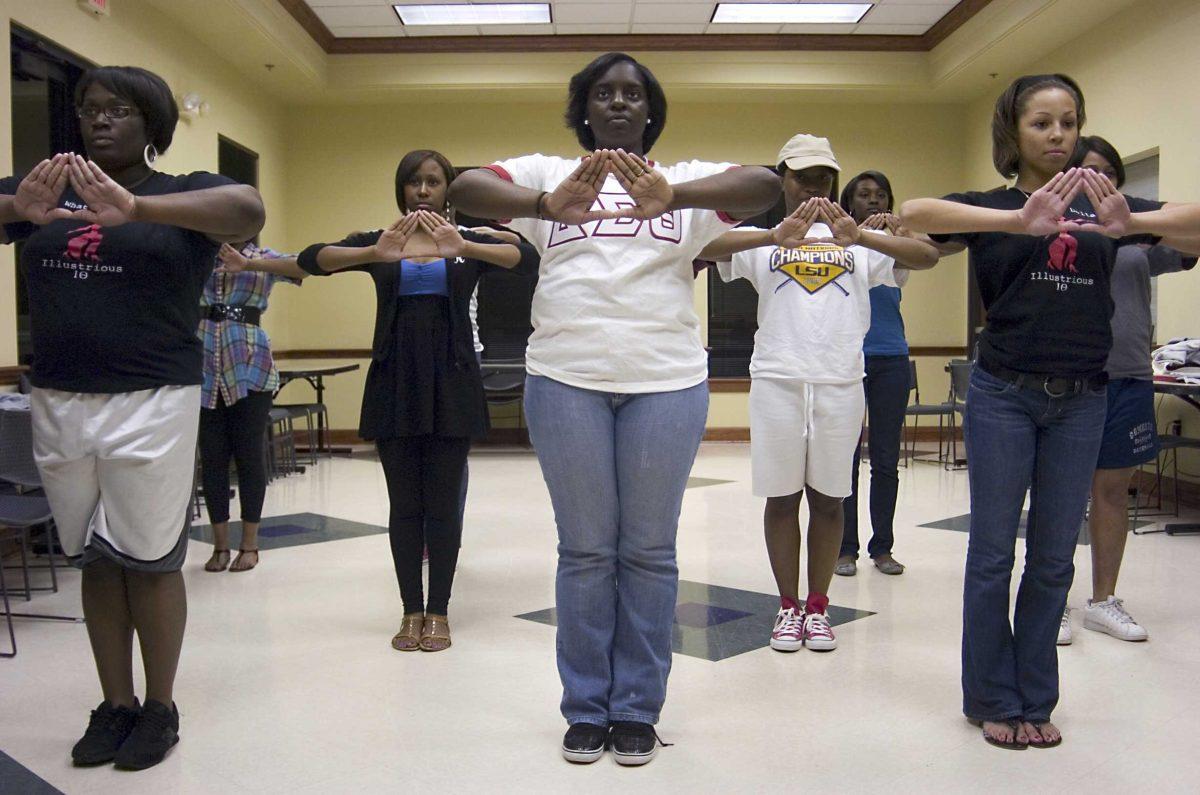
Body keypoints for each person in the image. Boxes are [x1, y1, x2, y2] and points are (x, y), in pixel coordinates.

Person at [449, 52, 780, 766]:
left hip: (665, 383)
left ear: (651, 110)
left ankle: (635, 707)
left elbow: (765, 184)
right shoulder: (546, 173)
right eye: (606, 93)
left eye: (634, 94)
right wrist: (544, 205)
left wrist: (680, 194)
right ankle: (585, 707)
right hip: (565, 381)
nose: (621, 103)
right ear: (585, 108)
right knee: (588, 548)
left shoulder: (679, 180)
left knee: (650, 550)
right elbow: (466, 187)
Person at [900, 73, 1200, 750]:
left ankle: (1036, 696)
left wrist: (1136, 222)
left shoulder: (1106, 208)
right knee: (991, 553)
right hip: (1004, 394)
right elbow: (913, 213)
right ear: (1014, 133)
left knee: (1055, 558)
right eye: (1042, 123)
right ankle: (990, 696)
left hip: (1083, 399)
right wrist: (1016, 220)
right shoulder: (992, 206)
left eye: (1068, 121)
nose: (1058, 134)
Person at [0, 66, 264, 769]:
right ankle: (113, 703)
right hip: (59, 398)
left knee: (147, 559)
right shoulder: (45, 191)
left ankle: (159, 706)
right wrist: (13, 212)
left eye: (119, 110)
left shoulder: (179, 194)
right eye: (89, 110)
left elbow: (247, 209)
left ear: (152, 125)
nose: (100, 121)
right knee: (94, 554)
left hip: (152, 398)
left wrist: (140, 212)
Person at [224, 150, 537, 653]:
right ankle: (410, 611)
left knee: (443, 507)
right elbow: (313, 260)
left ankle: (439, 611)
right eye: (413, 182)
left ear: (448, 190)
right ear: (401, 189)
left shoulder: (465, 242)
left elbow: (526, 261)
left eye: (433, 182)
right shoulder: (380, 241)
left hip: (452, 383)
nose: (422, 191)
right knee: (404, 506)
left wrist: (469, 246)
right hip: (395, 383)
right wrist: (374, 254)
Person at [698, 136, 938, 655]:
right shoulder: (764, 238)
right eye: (802, 176)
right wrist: (770, 236)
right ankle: (787, 608)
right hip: (777, 380)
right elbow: (702, 249)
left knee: (830, 499)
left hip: (840, 381)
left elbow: (925, 257)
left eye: (823, 177)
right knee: (782, 498)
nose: (813, 186)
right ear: (781, 177)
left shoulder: (856, 239)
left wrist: (866, 239)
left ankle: (819, 607)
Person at [1056, 135, 1198, 645]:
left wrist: (1141, 220)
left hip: (1130, 375)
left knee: (1112, 491)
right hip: (1071, 376)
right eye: (1087, 172)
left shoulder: (1138, 237)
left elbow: (1192, 241)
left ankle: (1103, 600)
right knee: (1062, 496)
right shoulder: (1053, 229)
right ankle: (1051, 601)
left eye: (1108, 174)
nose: (1099, 182)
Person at [198, 241, 299, 573]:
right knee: (212, 457)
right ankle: (220, 546)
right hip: (203, 363)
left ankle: (250, 545)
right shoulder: (197, 254)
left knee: (249, 455)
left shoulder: (264, 257)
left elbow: (303, 267)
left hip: (251, 364)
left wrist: (249, 265)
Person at [835, 170, 914, 577]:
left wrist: (899, 234)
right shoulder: (837, 245)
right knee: (844, 459)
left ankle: (882, 548)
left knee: (885, 459)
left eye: (881, 195)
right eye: (864, 194)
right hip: (848, 359)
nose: (873, 201)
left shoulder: (894, 247)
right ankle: (844, 549)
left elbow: (911, 264)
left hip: (891, 360)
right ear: (849, 202)